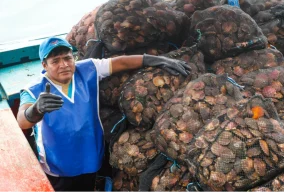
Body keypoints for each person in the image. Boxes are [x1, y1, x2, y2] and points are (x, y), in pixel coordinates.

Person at [17, 36, 191, 192]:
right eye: (55, 61)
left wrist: (156, 60)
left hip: (90, 157)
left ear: (74, 58)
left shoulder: (87, 69)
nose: (63, 65)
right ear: (44, 65)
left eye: (67, 58)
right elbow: (22, 121)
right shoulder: (34, 90)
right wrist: (36, 109)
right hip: (58, 166)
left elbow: (121, 62)